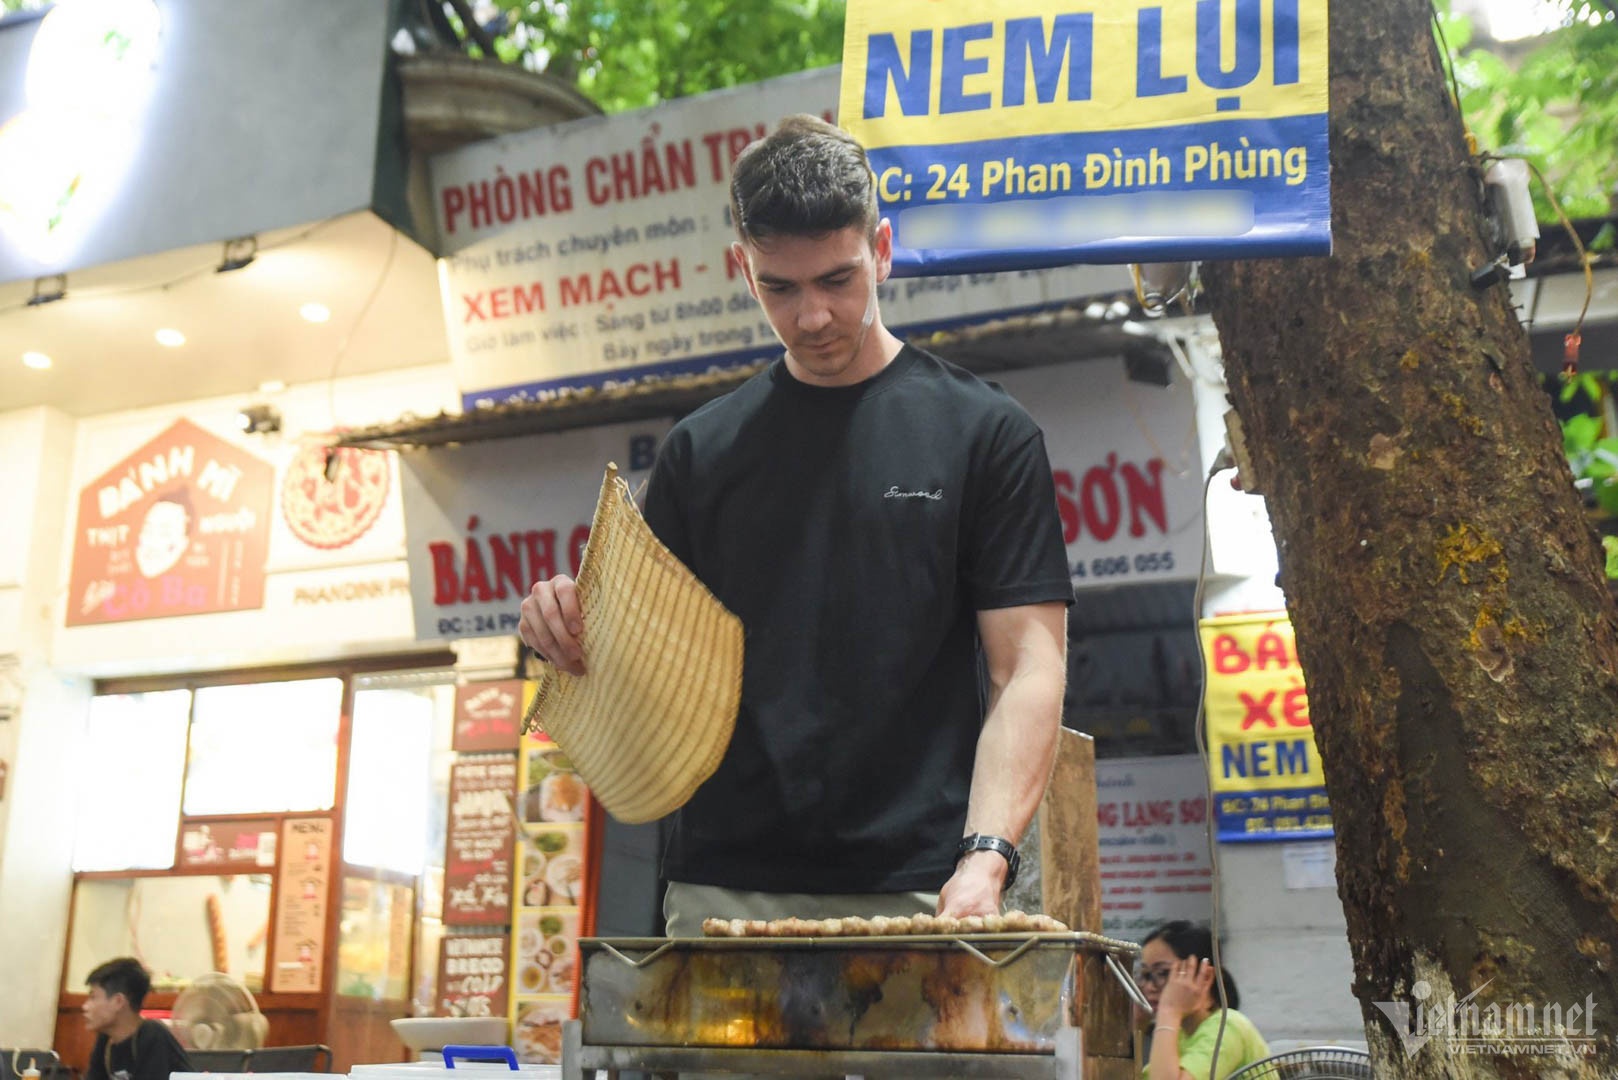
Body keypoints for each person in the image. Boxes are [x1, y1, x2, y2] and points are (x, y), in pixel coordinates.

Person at [519, 114, 1073, 936]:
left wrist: (986, 857)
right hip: (725, 890)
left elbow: (1028, 663)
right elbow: (640, 666)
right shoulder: (700, 454)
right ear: (743, 269)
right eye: (782, 287)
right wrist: (562, 623)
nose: (813, 315)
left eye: (838, 280)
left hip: (928, 885)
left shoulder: (984, 434)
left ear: (881, 250)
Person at [1135, 922, 1270, 1080]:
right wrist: (1135, 1028)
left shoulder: (1228, 1026)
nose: (1149, 987)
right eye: (1145, 974)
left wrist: (1169, 1011)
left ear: (1204, 976)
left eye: (1163, 972)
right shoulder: (1180, 1035)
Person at [82, 958, 193, 1080]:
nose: (85, 1006)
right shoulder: (106, 1039)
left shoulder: (152, 1034)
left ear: (118, 1001)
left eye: (93, 997)